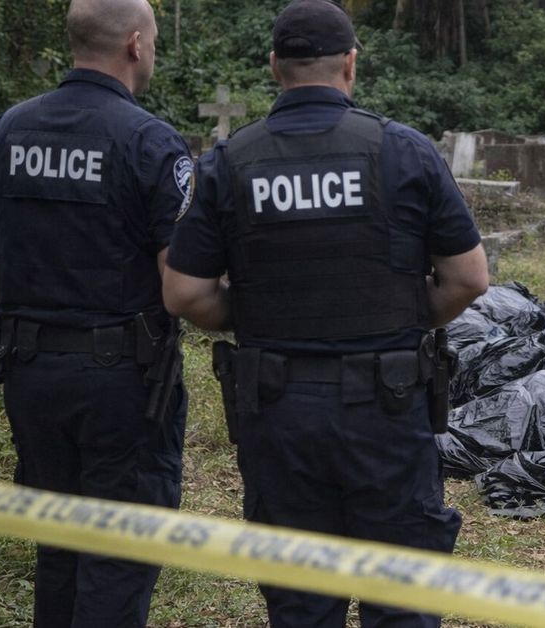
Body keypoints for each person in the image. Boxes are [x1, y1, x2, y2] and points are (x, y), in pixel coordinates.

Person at [162, 1, 489, 625]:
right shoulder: (403, 151)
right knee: (404, 601)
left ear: (274, 67)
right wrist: (403, 315)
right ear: (350, 64)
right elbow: (469, 278)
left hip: (277, 412)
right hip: (388, 411)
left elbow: (184, 294)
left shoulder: (231, 163)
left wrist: (256, 312)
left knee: (302, 605)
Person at [0, 0, 190, 625]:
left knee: (60, 546)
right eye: (151, 40)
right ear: (135, 45)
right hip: (122, 384)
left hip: (29, 373)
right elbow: (178, 284)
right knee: (118, 553)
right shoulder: (149, 141)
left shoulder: (7, 130)